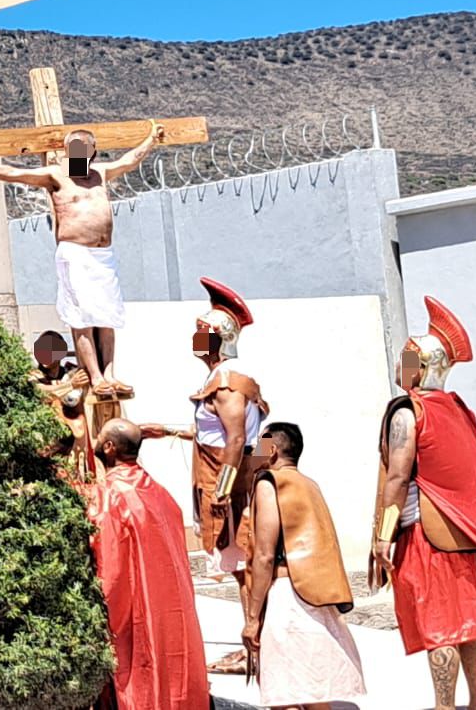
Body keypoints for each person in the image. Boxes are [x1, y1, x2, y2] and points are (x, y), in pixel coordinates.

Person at [0, 125, 165, 399]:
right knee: (82, 318)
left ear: (92, 152)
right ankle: (96, 377)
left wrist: (151, 139)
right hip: (75, 254)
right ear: (66, 152)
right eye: (73, 149)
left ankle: (110, 375)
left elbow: (130, 160)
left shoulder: (100, 173)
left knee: (107, 316)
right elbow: (13, 173)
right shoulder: (55, 176)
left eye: (83, 149)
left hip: (103, 256)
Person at [370, 297, 476, 710]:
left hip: (426, 535)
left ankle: (444, 707)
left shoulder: (407, 412)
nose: (401, 365)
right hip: (463, 535)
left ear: (423, 366)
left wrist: (383, 535)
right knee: (470, 628)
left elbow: (397, 477)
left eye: (408, 359)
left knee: (441, 628)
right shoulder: (458, 410)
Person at [243, 422, 365, 710]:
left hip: (288, 597)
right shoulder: (310, 484)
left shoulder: (269, 483)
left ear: (272, 450)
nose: (255, 451)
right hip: (314, 594)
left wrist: (252, 618)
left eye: (260, 445)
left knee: (284, 694)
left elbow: (265, 555)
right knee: (312, 693)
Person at [88, 418, 208, 710]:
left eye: (99, 436)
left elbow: (111, 571)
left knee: (142, 681)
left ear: (109, 447)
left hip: (135, 610)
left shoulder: (109, 496)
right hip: (170, 609)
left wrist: (100, 622)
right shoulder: (161, 492)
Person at [188, 276, 269, 675]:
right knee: (241, 570)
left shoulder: (225, 383)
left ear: (219, 339)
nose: (195, 339)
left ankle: (256, 650)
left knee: (247, 567)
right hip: (230, 480)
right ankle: (252, 647)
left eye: (201, 333)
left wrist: (222, 490)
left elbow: (236, 439)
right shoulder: (223, 377)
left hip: (231, 487)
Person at [28, 329, 100, 483]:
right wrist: (70, 385)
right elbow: (40, 393)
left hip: (74, 442)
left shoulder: (71, 372)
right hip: (46, 443)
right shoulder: (33, 376)